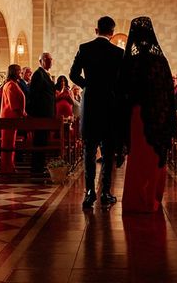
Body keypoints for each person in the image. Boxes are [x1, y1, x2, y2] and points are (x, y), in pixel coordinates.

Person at [119, 16, 176, 212]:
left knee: (138, 157)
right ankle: (152, 197)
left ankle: (136, 199)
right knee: (154, 155)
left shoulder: (130, 62)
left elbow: (122, 91)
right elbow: (169, 91)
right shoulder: (161, 61)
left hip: (137, 115)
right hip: (158, 116)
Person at [70, 16, 124, 208]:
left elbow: (73, 74)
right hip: (110, 104)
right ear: (112, 32)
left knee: (89, 150)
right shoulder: (118, 53)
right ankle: (106, 192)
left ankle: (90, 192)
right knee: (108, 152)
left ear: (96, 30)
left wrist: (88, 85)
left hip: (91, 104)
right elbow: (122, 81)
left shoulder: (85, 48)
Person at [27, 53, 56, 174]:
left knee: (43, 141)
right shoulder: (38, 74)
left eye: (50, 59)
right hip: (41, 114)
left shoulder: (45, 74)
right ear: (41, 61)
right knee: (39, 141)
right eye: (47, 59)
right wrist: (36, 113)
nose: (49, 61)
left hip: (46, 114)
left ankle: (40, 167)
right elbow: (34, 95)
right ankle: (36, 168)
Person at [0, 64, 26, 173]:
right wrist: (23, 114)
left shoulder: (13, 84)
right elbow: (13, 104)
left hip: (12, 118)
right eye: (19, 71)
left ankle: (10, 166)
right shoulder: (10, 85)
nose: (20, 73)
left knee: (11, 143)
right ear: (13, 72)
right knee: (8, 144)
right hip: (9, 118)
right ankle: (7, 168)